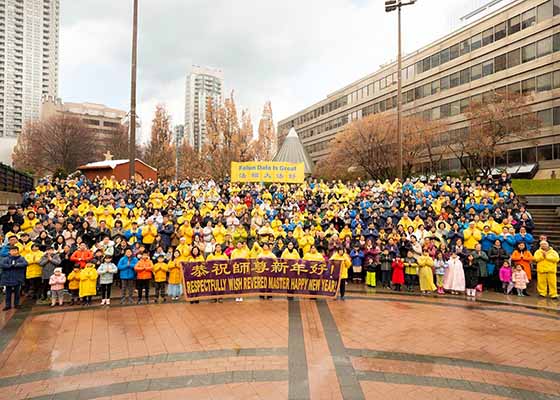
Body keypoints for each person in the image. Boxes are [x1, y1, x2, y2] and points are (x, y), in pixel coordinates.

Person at [0, 246, 28, 310]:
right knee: (8, 293)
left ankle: (16, 304)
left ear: (17, 251)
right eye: (12, 250)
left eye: (15, 250)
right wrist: (10, 266)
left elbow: (25, 263)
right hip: (7, 278)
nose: (13, 252)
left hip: (17, 278)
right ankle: (7, 305)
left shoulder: (21, 258)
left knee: (17, 292)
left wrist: (16, 265)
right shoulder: (5, 259)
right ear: (9, 252)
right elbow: (2, 265)